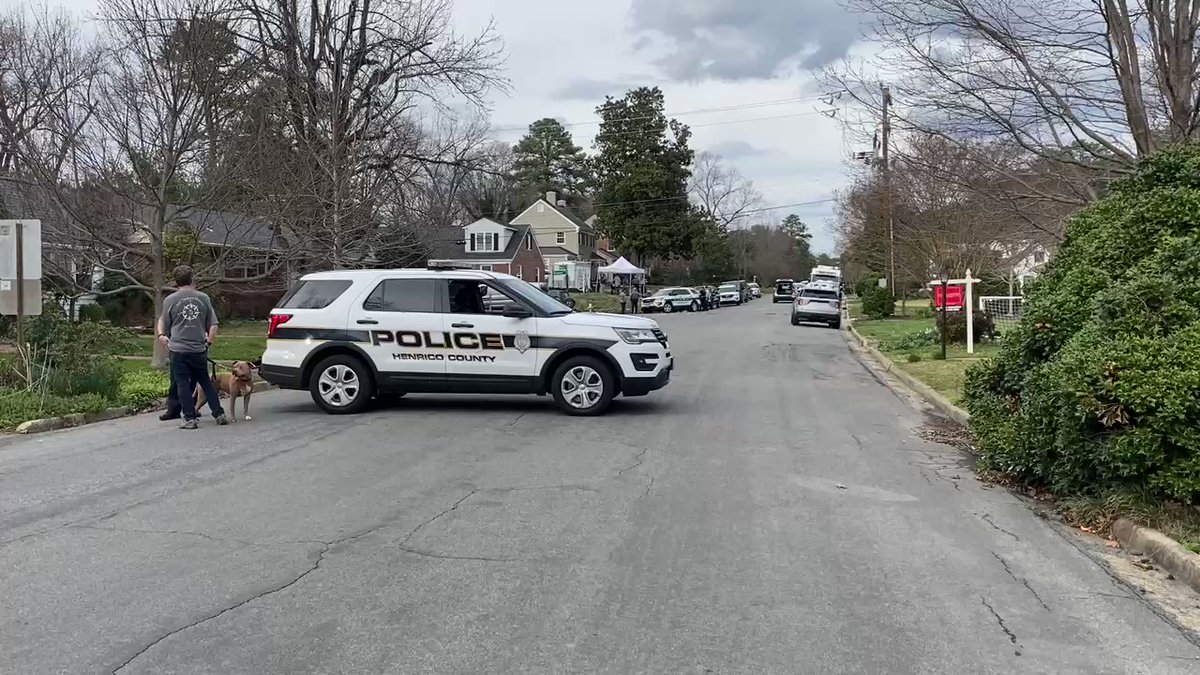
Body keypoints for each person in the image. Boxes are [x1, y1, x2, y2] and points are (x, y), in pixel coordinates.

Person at [157, 265, 228, 429]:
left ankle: (189, 418)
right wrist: (208, 342)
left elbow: (164, 322)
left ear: (176, 282)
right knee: (206, 382)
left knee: (182, 383)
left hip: (178, 349)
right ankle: (219, 413)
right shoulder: (204, 298)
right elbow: (213, 324)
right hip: (198, 349)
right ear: (192, 279)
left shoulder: (170, 300)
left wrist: (162, 336)